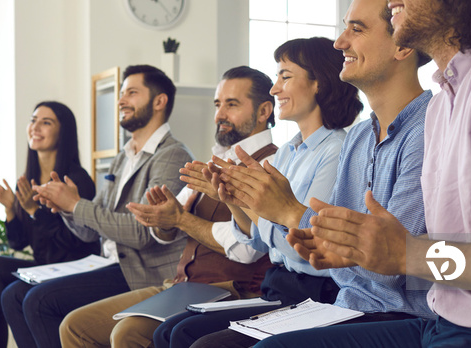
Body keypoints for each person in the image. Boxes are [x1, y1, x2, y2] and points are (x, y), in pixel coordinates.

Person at [261, 0, 471, 347]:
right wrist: (366, 251)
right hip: (451, 322)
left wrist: (405, 254)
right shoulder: (444, 104)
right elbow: (438, 263)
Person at [190, 0, 435, 346]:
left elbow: (390, 269)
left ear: (403, 46)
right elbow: (326, 254)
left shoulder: (430, 129)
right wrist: (249, 204)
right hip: (346, 305)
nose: (340, 42)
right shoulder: (361, 137)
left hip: (399, 313)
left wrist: (290, 212)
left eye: (357, 29)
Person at [152, 37, 364, 348]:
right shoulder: (289, 152)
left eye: (285, 77)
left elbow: (304, 246)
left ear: (319, 83)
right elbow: (262, 237)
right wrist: (234, 201)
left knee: (200, 342)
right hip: (279, 284)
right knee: (170, 331)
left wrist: (258, 208)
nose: (276, 88)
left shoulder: (336, 150)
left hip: (314, 292)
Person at [58, 66, 279, 348]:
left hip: (234, 289)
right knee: (75, 326)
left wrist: (180, 219)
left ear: (263, 112)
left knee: (126, 333)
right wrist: (163, 220)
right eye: (217, 104)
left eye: (232, 104)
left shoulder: (269, 165)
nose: (220, 115)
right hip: (180, 284)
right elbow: (169, 229)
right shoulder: (214, 159)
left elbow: (248, 247)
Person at [0, 65, 194, 348]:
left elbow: (142, 232)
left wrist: (76, 204)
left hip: (139, 273)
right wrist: (64, 207)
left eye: (132, 92)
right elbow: (89, 233)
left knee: (39, 300)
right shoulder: (123, 157)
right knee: (14, 295)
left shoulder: (171, 155)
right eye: (121, 93)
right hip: (107, 263)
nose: (121, 100)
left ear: (159, 101)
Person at [0, 101, 99, 348]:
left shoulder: (76, 180)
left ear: (64, 132)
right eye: (33, 120)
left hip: (75, 267)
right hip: (46, 266)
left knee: (9, 290)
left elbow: (74, 241)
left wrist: (32, 210)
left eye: (46, 122)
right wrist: (10, 209)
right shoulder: (27, 182)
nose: (35, 127)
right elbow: (19, 242)